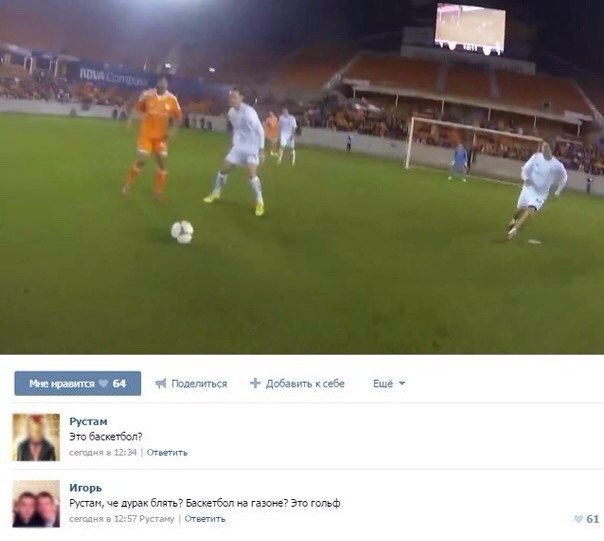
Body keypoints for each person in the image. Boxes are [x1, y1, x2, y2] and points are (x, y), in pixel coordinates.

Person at [203, 87, 266, 217]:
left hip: (252, 147)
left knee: (251, 174)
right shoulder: (231, 112)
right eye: (230, 96)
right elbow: (237, 130)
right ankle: (216, 193)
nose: (231, 99)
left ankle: (259, 202)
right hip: (239, 147)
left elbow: (260, 131)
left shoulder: (249, 113)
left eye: (234, 97)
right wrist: (234, 143)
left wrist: (261, 150)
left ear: (241, 98)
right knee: (223, 169)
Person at [122, 77, 182, 202]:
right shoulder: (147, 95)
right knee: (142, 159)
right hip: (146, 134)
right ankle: (127, 185)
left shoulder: (172, 99)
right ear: (157, 85)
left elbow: (178, 116)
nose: (162, 86)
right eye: (160, 84)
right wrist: (130, 120)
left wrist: (173, 129)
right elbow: (137, 108)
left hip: (161, 137)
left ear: (167, 86)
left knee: (162, 162)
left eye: (164, 84)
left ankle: (157, 192)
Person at [507, 141, 568, 241]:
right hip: (528, 189)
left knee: (530, 211)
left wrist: (558, 192)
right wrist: (526, 178)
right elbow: (525, 169)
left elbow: (564, 178)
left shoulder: (557, 165)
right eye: (542, 146)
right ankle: (514, 219)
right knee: (519, 209)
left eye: (545, 146)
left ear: (551, 149)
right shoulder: (536, 157)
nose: (543, 148)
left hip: (540, 194)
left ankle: (514, 230)